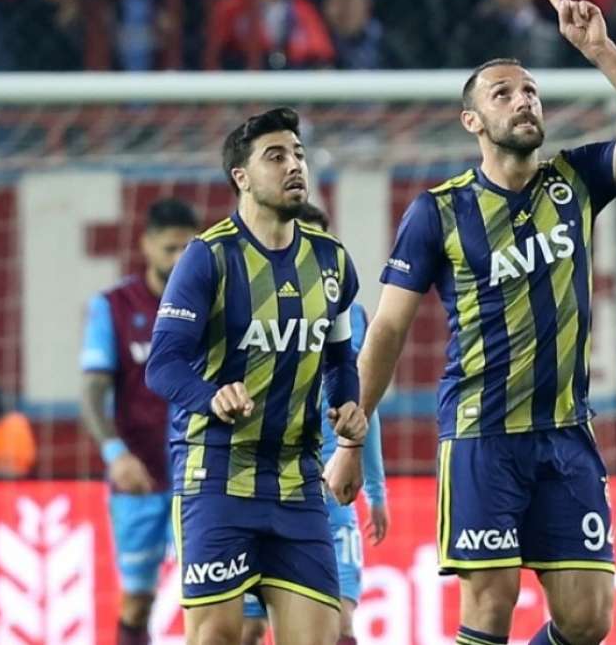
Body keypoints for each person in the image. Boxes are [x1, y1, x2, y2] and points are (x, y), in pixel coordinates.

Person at [357, 0, 616, 645]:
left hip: (566, 433)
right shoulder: (439, 212)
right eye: (503, 93)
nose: (523, 100)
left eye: (531, 90)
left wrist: (600, 50)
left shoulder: (576, 180)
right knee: (491, 605)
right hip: (482, 434)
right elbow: (388, 328)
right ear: (472, 121)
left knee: (588, 620)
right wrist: (351, 434)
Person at [145, 107, 368, 645]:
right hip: (218, 475)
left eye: (298, 154)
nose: (294, 165)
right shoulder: (208, 257)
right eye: (276, 156)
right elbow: (163, 364)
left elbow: (339, 358)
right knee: (219, 636)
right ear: (241, 177)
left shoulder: (332, 261)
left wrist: (348, 409)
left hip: (297, 479)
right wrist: (211, 396)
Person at [240, 203, 390, 645]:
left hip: (327, 485)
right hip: (258, 485)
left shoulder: (352, 316)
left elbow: (364, 407)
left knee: (338, 626)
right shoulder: (246, 305)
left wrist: (376, 491)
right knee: (247, 629)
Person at [79, 198, 199, 645]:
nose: (179, 259)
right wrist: (115, 454)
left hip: (200, 479)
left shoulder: (213, 305)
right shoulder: (114, 306)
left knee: (209, 601)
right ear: (146, 245)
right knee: (136, 601)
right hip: (139, 478)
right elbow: (92, 390)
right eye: (169, 248)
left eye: (187, 248)